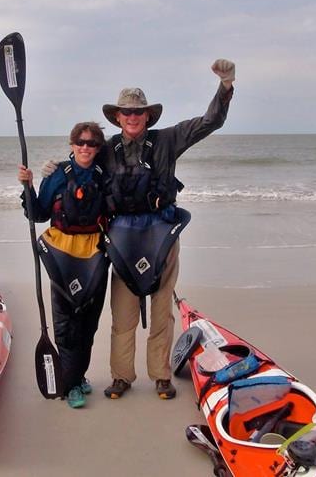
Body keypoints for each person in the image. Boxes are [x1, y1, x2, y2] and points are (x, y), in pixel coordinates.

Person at [99, 59, 235, 400]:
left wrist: (226, 86)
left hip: (161, 233)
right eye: (126, 112)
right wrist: (56, 170)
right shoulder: (105, 150)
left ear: (148, 116)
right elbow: (79, 165)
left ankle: (160, 375)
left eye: (138, 112)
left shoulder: (168, 139)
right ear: (117, 117)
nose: (132, 117)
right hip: (123, 237)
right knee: (123, 312)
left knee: (162, 307)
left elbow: (210, 122)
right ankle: (121, 376)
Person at [18, 122, 110, 409]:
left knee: (89, 322)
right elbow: (39, 213)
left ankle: (78, 374)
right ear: (72, 144)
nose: (86, 148)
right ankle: (69, 384)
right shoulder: (57, 175)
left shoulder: (103, 176)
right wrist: (29, 186)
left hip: (94, 254)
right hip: (61, 254)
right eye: (80, 142)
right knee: (66, 323)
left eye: (93, 144)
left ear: (98, 148)